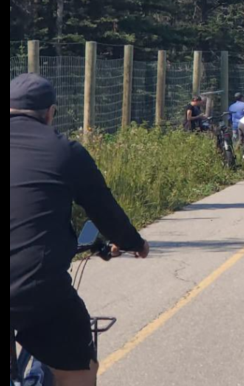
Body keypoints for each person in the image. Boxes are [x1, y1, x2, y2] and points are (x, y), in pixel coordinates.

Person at [10, 74, 150, 386]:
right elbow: (105, 211)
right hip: (36, 288)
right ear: (50, 113)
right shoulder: (65, 151)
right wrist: (134, 243)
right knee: (79, 370)